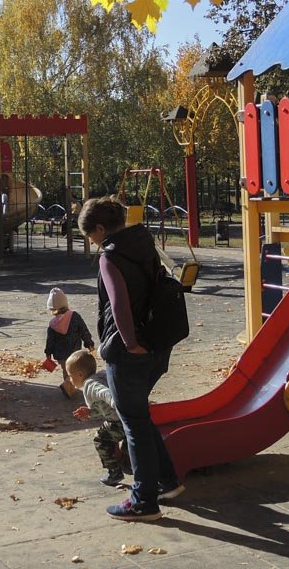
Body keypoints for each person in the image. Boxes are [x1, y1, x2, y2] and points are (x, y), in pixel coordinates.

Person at [78, 196, 182, 522]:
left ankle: (143, 501)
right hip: (158, 344)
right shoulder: (145, 242)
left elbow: (119, 303)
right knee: (139, 415)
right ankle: (166, 480)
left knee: (132, 422)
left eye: (90, 236)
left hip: (130, 352)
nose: (92, 243)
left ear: (99, 228)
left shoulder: (110, 258)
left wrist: (129, 342)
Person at [67, 349, 127, 488]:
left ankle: (114, 472)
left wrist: (116, 403)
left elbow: (105, 394)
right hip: (126, 416)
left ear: (80, 374)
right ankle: (126, 450)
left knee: (100, 439)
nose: (69, 379)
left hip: (118, 421)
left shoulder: (90, 385)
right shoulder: (102, 374)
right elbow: (102, 407)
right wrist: (90, 412)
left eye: (70, 375)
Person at [44, 288, 94, 398]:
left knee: (66, 370)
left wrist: (48, 353)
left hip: (60, 355)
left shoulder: (53, 324)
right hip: (74, 353)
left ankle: (69, 388)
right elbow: (83, 330)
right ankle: (68, 385)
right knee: (74, 370)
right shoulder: (75, 316)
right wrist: (89, 343)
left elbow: (50, 340)